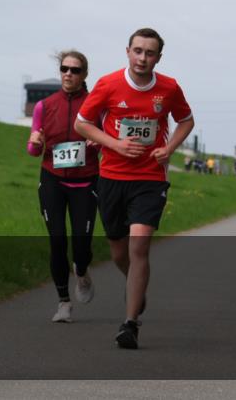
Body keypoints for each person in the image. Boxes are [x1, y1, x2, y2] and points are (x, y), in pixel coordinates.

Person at [74, 28, 194, 350]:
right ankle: (135, 287)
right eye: (138, 51)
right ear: (127, 51)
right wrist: (115, 144)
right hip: (112, 176)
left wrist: (169, 148)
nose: (142, 58)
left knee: (138, 246)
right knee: (119, 252)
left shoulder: (169, 88)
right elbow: (82, 123)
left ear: (158, 58)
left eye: (149, 53)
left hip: (150, 178)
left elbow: (186, 120)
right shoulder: (108, 84)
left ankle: (130, 324)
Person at [26, 50, 100, 324]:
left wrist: (98, 142)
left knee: (81, 246)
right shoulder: (44, 106)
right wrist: (35, 142)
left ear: (84, 74)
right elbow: (33, 150)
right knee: (57, 241)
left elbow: (106, 141)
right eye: (65, 69)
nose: (69, 74)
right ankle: (63, 303)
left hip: (86, 180)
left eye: (75, 70)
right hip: (52, 180)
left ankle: (81, 272)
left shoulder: (95, 105)